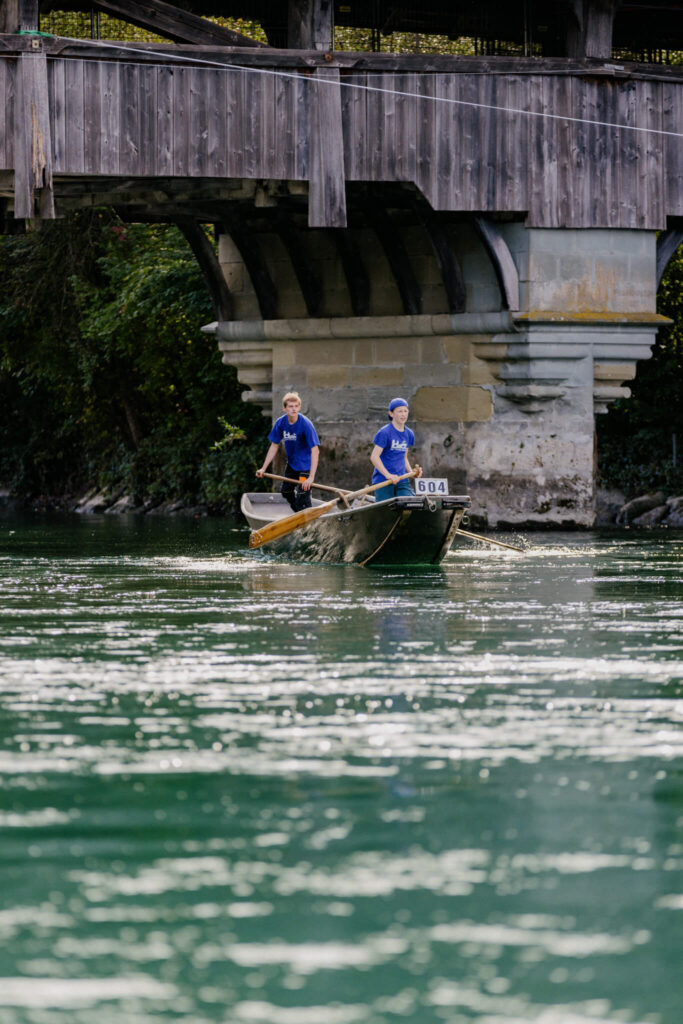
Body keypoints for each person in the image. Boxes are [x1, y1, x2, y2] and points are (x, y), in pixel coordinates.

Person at [256, 392, 320, 512]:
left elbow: (315, 450)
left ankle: (305, 511)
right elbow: (274, 446)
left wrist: (311, 477)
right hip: (292, 465)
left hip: (305, 467)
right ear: (284, 408)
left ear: (299, 407)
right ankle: (298, 513)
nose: (294, 409)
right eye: (290, 406)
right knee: (286, 491)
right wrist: (263, 468)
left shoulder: (306, 424)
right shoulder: (281, 423)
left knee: (302, 495)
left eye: (296, 406)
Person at [370, 397, 422, 498]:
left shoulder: (409, 434)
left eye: (405, 411)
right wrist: (388, 475)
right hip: (383, 480)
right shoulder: (384, 432)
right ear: (391, 414)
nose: (403, 414)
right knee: (386, 507)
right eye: (400, 411)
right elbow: (374, 457)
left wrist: (411, 472)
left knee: (409, 503)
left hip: (402, 479)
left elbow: (404, 457)